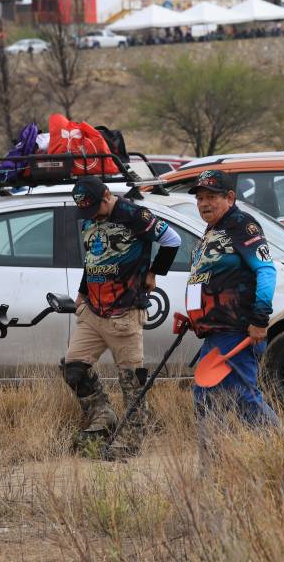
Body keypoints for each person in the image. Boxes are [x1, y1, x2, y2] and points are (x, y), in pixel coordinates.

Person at [64, 176, 181, 456]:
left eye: (95, 208)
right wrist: (82, 293)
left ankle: (130, 440)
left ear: (106, 195)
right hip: (93, 311)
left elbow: (172, 240)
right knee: (74, 368)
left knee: (131, 382)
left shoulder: (135, 215)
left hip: (125, 311)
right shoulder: (90, 220)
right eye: (86, 211)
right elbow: (93, 260)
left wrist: (154, 272)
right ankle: (103, 416)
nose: (91, 215)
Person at [187, 170, 280, 446]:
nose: (204, 203)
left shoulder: (242, 225)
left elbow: (266, 271)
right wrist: (194, 316)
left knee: (243, 397)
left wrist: (260, 319)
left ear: (230, 197)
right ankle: (215, 461)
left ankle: (281, 452)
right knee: (207, 398)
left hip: (236, 329)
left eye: (211, 197)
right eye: (200, 198)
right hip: (216, 331)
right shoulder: (214, 229)